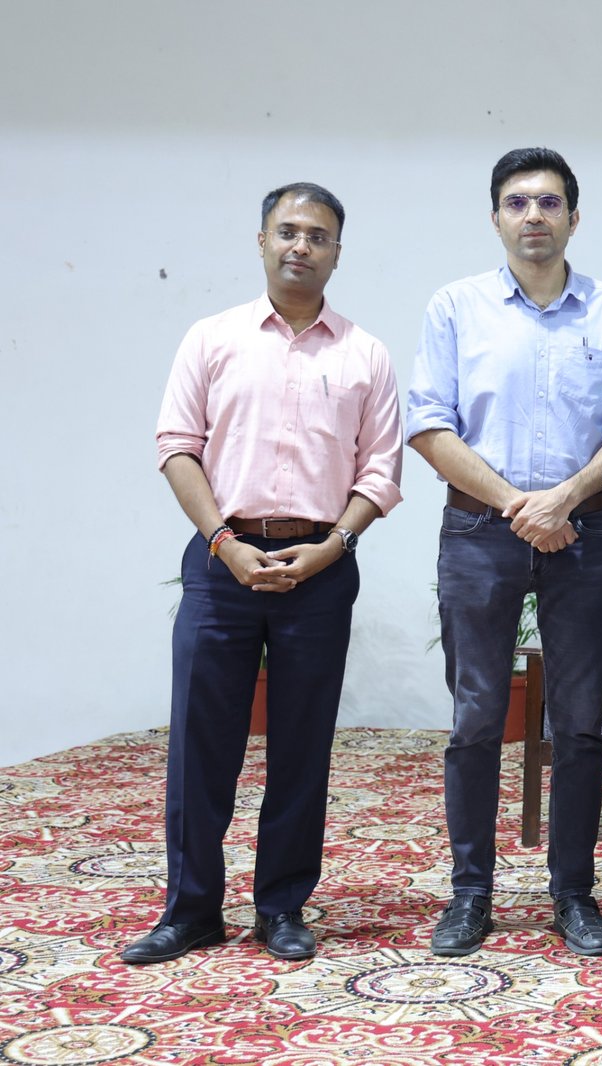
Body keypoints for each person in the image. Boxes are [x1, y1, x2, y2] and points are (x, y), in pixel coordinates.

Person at [128, 183, 403, 964]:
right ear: (261, 241)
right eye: (287, 231)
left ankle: (282, 907)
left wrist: (332, 546)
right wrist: (223, 541)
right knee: (200, 742)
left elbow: (380, 471)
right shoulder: (212, 338)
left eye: (318, 235)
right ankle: (191, 909)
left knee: (301, 744)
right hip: (223, 562)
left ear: (337, 253)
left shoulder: (365, 354)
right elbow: (176, 446)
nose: (300, 246)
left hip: (321, 566)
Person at [407, 147, 602, 958]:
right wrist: (521, 505)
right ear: (495, 218)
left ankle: (573, 894)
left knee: (579, 722)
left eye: (549, 202)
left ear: (574, 218)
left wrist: (564, 499)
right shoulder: (455, 306)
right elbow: (428, 425)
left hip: (586, 532)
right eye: (517, 203)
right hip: (481, 532)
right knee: (477, 718)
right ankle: (470, 894)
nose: (533, 215)